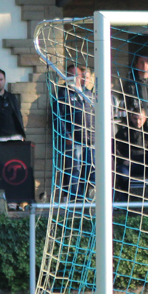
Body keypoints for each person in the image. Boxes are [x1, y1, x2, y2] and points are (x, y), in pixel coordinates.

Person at [53, 64, 95, 201]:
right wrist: (66, 135)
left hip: (89, 140)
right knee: (74, 169)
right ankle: (72, 198)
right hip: (73, 139)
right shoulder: (63, 93)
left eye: (75, 74)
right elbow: (57, 117)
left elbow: (93, 115)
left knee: (89, 168)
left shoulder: (88, 94)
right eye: (69, 74)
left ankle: (84, 196)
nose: (72, 77)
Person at [114, 106, 148, 200]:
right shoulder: (123, 132)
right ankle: (124, 202)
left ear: (145, 119)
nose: (138, 122)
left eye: (140, 119)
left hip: (143, 165)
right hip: (128, 165)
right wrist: (123, 160)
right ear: (131, 118)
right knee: (122, 175)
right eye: (135, 118)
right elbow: (114, 148)